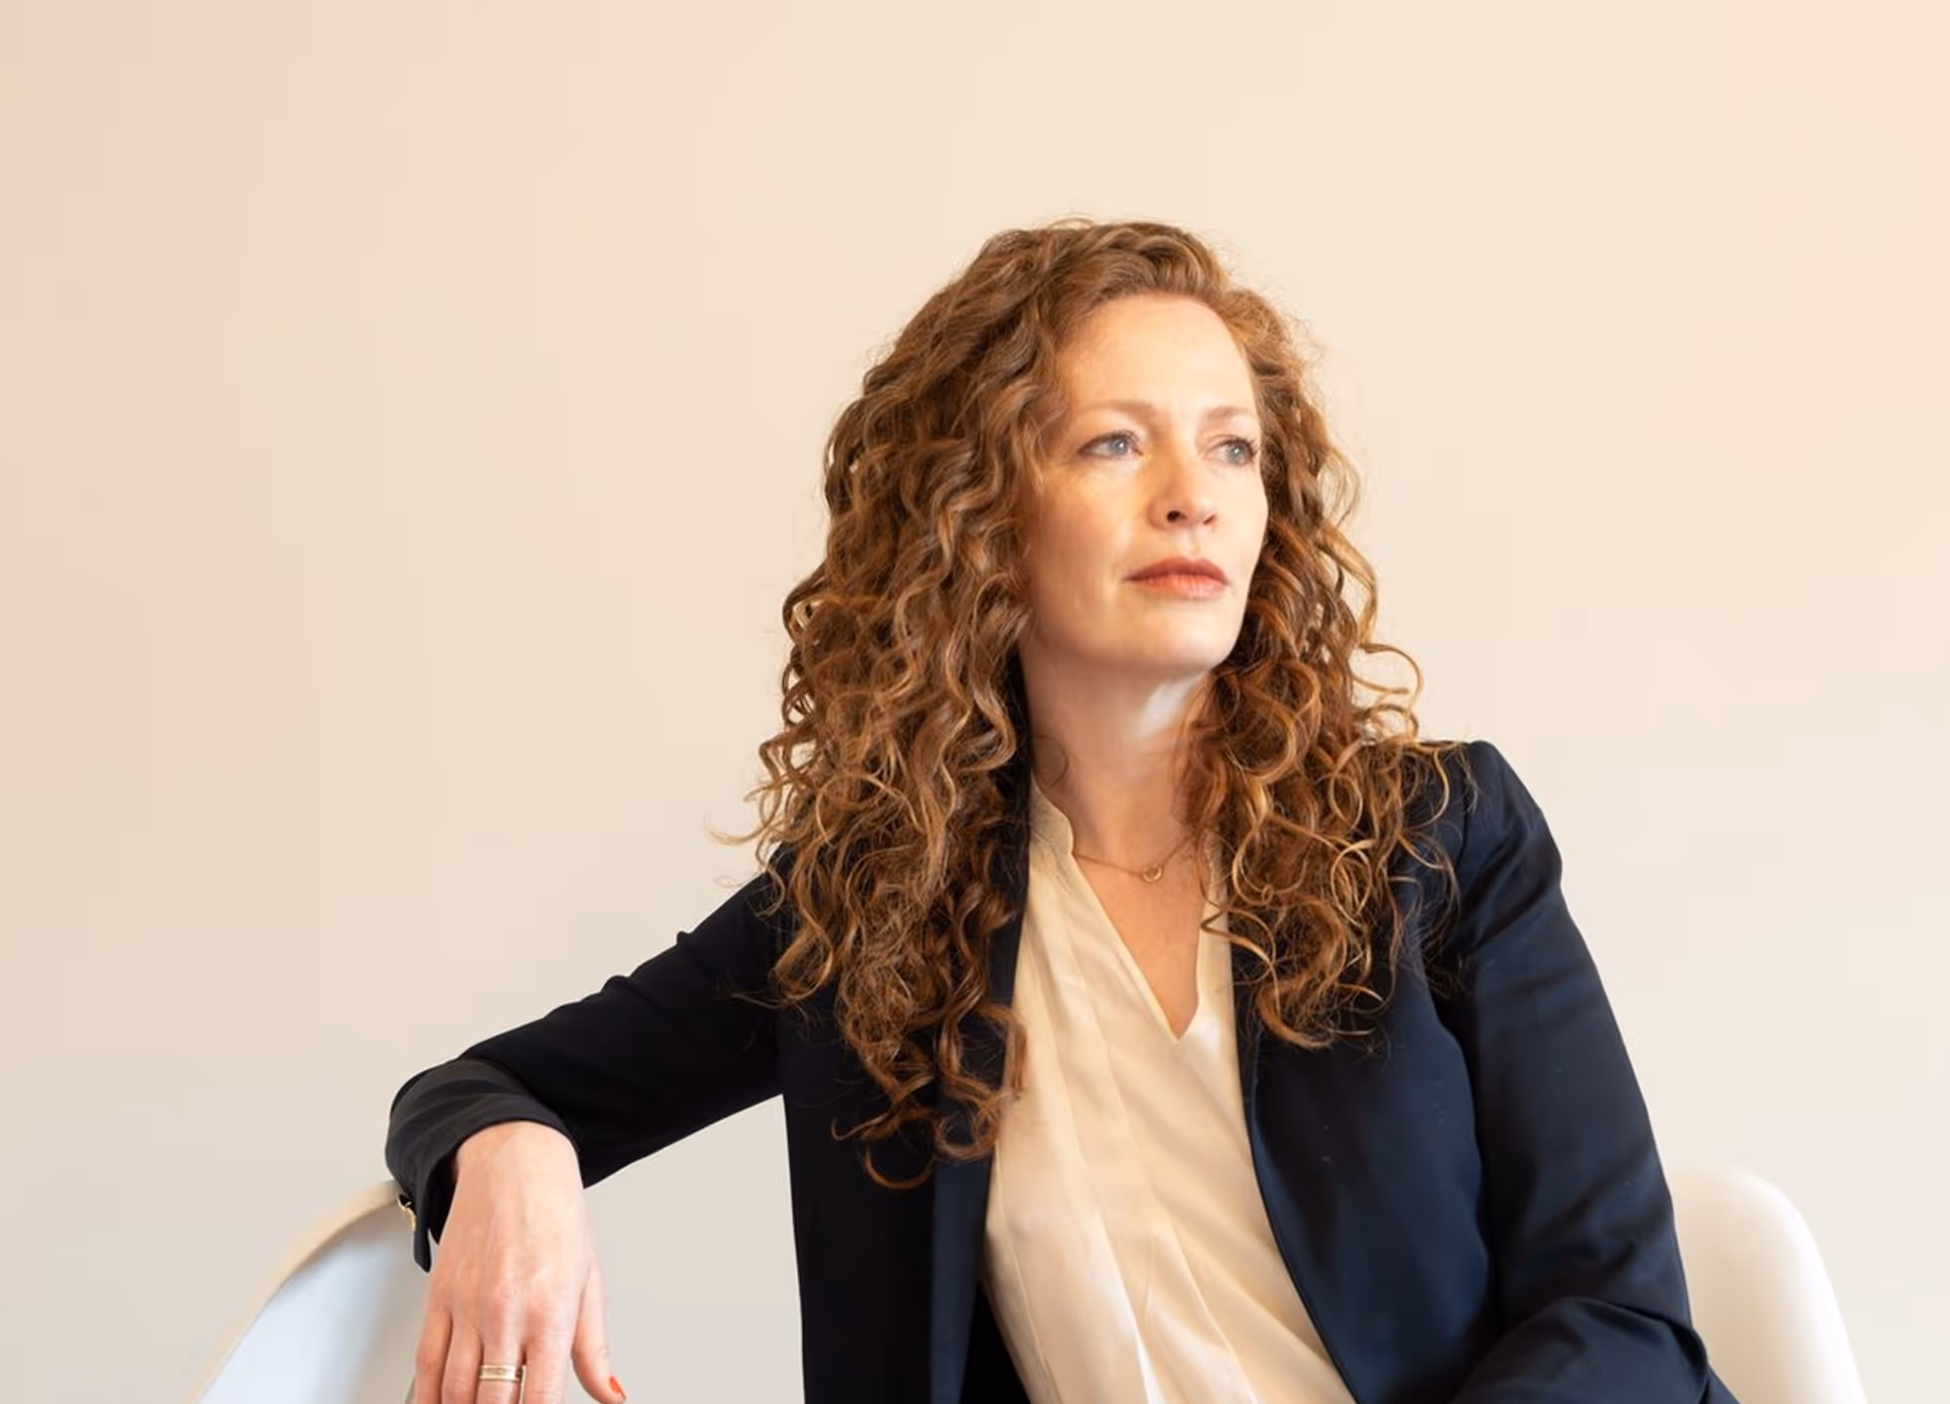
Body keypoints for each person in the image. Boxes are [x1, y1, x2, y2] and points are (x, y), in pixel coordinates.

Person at [384, 217, 1738, 1404]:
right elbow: (478, 1088)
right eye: (1111, 441)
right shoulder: (872, 910)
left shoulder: (1441, 840)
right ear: (979, 514)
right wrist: (508, 1157)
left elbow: (1621, 1321)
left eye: (1232, 447)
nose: (1191, 493)